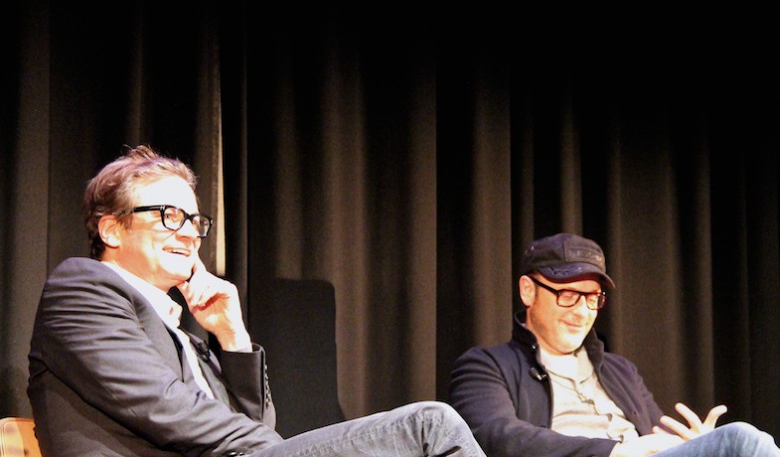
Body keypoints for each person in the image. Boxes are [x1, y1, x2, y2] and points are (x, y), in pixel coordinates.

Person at [27, 145, 485, 457]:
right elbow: (163, 406)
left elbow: (251, 427)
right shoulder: (82, 288)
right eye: (168, 216)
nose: (188, 233)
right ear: (111, 229)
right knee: (431, 426)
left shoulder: (182, 333)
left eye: (193, 220)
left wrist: (233, 338)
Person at [449, 232, 780, 457]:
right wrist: (614, 451)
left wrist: (694, 445)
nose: (583, 312)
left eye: (593, 298)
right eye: (568, 295)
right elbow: (496, 436)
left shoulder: (620, 370)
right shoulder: (486, 365)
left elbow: (655, 441)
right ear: (528, 291)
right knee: (742, 439)